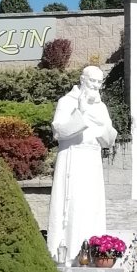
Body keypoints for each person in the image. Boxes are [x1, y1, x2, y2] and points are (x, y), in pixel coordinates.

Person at [46, 66, 118, 259]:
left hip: (92, 160)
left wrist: (100, 125)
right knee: (73, 208)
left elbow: (109, 140)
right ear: (82, 79)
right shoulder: (67, 101)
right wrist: (81, 113)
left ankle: (95, 252)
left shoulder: (101, 107)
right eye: (92, 80)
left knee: (92, 207)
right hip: (73, 157)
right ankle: (67, 254)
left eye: (99, 82)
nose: (95, 85)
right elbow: (59, 132)